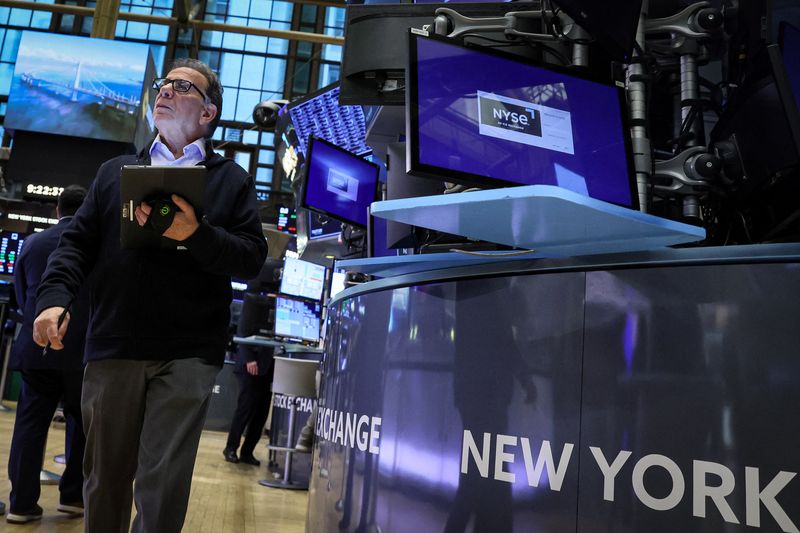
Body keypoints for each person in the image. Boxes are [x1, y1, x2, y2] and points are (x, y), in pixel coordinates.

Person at [32, 58, 267, 533]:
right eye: (165, 84)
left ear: (208, 113)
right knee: (105, 481)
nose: (166, 90)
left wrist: (196, 234)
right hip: (114, 343)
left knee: (163, 484)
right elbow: (75, 244)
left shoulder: (231, 180)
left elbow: (250, 257)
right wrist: (53, 299)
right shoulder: (114, 172)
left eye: (183, 87)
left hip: (188, 351)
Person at [6, 185, 89, 525]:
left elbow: (19, 296)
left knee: (29, 422)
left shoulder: (32, 243)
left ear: (57, 209)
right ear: (87, 212)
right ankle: (73, 497)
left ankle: (21, 504)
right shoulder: (95, 245)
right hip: (82, 350)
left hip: (37, 346)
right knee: (81, 425)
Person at [223, 342, 274, 466]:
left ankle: (247, 452)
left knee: (262, 413)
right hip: (250, 365)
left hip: (269, 368)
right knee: (245, 409)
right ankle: (230, 448)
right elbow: (242, 335)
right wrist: (249, 359)